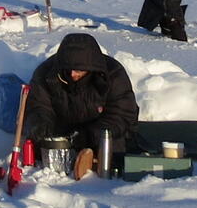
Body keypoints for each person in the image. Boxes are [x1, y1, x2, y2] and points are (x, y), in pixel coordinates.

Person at [20, 31, 139, 180]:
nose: (72, 74)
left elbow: (122, 114)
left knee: (111, 144)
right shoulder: (47, 73)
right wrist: (40, 124)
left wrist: (89, 135)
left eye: (79, 70)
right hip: (64, 134)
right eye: (68, 69)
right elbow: (38, 105)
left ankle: (99, 175)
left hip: (101, 134)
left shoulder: (113, 74)